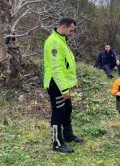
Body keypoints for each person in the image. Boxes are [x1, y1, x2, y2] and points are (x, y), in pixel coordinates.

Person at [43, 17, 84, 153]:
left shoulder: (61, 40)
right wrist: (64, 89)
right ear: (64, 27)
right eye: (71, 31)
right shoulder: (54, 42)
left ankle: (68, 135)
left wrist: (72, 83)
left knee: (67, 108)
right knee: (58, 111)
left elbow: (66, 64)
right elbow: (56, 69)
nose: (72, 33)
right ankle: (57, 142)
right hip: (55, 84)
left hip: (62, 84)